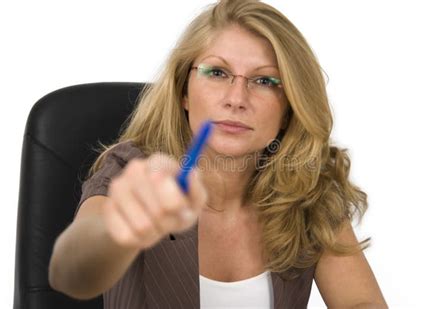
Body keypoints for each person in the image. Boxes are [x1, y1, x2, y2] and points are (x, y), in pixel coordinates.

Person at [48, 0, 388, 308]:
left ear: (288, 109)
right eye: (218, 73)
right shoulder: (129, 170)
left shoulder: (308, 187)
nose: (236, 98)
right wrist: (123, 226)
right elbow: (71, 273)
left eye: (265, 81)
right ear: (184, 90)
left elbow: (362, 303)